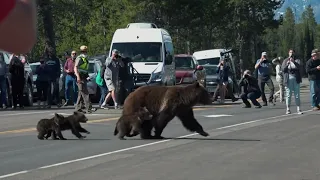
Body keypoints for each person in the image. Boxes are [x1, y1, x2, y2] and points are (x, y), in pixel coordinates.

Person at [74, 45, 96, 113]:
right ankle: (88, 108)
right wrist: (78, 77)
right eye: (83, 51)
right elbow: (75, 67)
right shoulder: (79, 58)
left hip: (83, 77)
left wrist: (87, 76)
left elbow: (84, 69)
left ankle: (78, 109)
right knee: (85, 93)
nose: (85, 52)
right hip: (80, 77)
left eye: (85, 51)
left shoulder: (85, 59)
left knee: (81, 94)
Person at [281, 49, 302, 114]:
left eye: (292, 52)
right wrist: (287, 64)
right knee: (288, 94)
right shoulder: (285, 60)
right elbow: (283, 70)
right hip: (288, 79)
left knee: (297, 94)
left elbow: (300, 68)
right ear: (288, 53)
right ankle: (288, 109)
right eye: (290, 52)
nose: (291, 53)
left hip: (296, 78)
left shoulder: (297, 60)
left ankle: (298, 108)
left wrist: (294, 62)